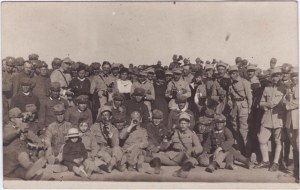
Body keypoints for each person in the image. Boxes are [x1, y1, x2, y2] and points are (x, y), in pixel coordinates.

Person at [149, 112, 202, 178]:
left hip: (184, 157)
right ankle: (157, 169)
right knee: (155, 155)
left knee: (192, 160)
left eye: (184, 123)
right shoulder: (175, 133)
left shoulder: (192, 134)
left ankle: (182, 171)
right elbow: (167, 145)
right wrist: (163, 144)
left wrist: (192, 150)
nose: (182, 125)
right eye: (181, 123)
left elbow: (199, 147)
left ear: (188, 124)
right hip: (173, 156)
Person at [254, 68, 285, 171]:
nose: (275, 78)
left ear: (280, 76)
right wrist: (266, 104)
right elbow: (261, 103)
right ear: (271, 78)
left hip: (278, 118)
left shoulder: (284, 88)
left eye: (277, 76)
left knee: (278, 141)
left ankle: (276, 163)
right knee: (262, 139)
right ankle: (266, 161)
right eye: (273, 76)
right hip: (267, 118)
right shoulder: (266, 88)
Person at [4, 107, 47, 180]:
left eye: (21, 117)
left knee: (27, 174)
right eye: (19, 117)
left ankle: (32, 172)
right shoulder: (8, 127)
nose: (21, 119)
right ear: (12, 119)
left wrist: (39, 143)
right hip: (10, 161)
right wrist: (17, 131)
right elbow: (5, 138)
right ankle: (31, 166)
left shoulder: (22, 126)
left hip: (18, 165)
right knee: (21, 154)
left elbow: (32, 136)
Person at [227, 65, 252, 157]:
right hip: (234, 107)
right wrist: (229, 101)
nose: (231, 75)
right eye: (230, 74)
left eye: (233, 73)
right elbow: (229, 96)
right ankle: (241, 151)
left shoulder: (245, 82)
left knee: (243, 130)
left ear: (237, 73)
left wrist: (250, 110)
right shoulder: (231, 85)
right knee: (235, 129)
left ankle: (248, 152)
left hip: (243, 107)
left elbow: (249, 97)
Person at [90, 105, 124, 172]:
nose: (104, 117)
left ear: (110, 117)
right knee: (104, 156)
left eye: (107, 115)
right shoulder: (95, 127)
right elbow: (91, 140)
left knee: (118, 149)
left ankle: (111, 164)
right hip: (100, 150)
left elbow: (115, 145)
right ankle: (115, 164)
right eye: (103, 115)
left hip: (110, 149)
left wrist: (111, 137)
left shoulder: (114, 129)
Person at [283, 67, 299, 182]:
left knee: (298, 144)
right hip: (290, 119)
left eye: (296, 75)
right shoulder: (289, 88)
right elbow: (284, 100)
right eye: (293, 75)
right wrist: (286, 102)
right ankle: (296, 170)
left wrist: (288, 104)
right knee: (294, 144)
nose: (294, 77)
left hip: (298, 118)